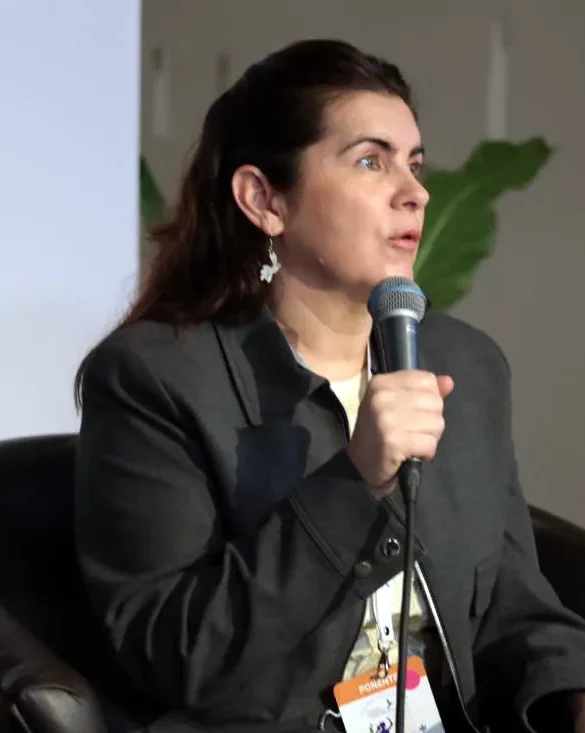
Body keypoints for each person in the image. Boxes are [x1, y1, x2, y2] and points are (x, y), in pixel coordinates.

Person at [74, 38, 585, 733]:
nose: (415, 192)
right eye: (371, 161)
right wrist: (355, 480)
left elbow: (513, 604)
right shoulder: (154, 378)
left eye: (414, 164)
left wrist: (568, 693)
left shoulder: (464, 364)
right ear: (264, 200)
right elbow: (173, 654)